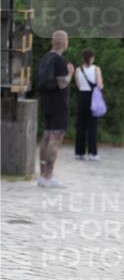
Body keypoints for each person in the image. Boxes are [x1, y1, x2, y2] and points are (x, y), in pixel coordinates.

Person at [36, 30, 74, 187]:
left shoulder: (45, 57)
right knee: (55, 139)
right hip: (59, 104)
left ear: (53, 42)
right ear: (65, 43)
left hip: (46, 102)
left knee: (46, 138)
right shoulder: (59, 60)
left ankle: (43, 175)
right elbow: (62, 83)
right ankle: (49, 176)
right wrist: (70, 73)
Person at [74, 49, 104, 161]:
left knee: (80, 125)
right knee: (92, 126)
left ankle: (79, 152)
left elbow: (78, 85)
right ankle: (92, 153)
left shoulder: (78, 69)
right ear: (92, 58)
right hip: (92, 98)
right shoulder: (96, 69)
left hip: (82, 97)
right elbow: (100, 85)